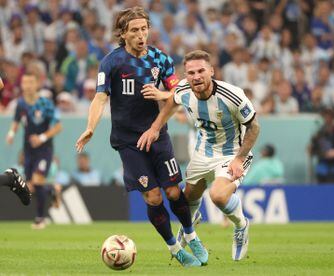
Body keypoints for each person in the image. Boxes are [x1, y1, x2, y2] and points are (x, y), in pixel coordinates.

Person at [75, 7, 206, 267]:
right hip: (128, 141)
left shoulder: (160, 59)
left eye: (144, 29)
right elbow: (100, 97)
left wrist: (162, 96)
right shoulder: (111, 62)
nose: (141, 35)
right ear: (123, 34)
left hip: (156, 133)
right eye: (134, 30)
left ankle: (191, 235)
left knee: (172, 191)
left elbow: (179, 94)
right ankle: (175, 248)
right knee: (153, 197)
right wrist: (91, 127)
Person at [138, 50, 261, 261]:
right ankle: (190, 227)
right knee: (186, 199)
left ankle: (241, 225)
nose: (196, 76)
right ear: (186, 75)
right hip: (203, 151)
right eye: (191, 72)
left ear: (211, 71)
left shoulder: (232, 95)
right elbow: (173, 101)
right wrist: (156, 127)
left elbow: (254, 127)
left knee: (218, 195)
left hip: (233, 152)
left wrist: (239, 159)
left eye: (201, 71)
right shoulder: (184, 89)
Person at [6, 72, 62, 228]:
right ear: (21, 85)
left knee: (37, 180)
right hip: (28, 151)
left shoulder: (45, 103)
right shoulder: (21, 104)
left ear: (37, 84)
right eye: (25, 83)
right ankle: (52, 190)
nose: (28, 86)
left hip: (44, 150)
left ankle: (40, 219)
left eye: (31, 82)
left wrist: (42, 137)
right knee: (31, 185)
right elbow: (16, 122)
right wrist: (11, 134)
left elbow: (58, 126)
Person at [309, 107, 334, 184]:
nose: (327, 119)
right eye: (325, 116)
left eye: (329, 117)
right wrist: (311, 149)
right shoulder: (319, 132)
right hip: (322, 167)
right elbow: (313, 149)